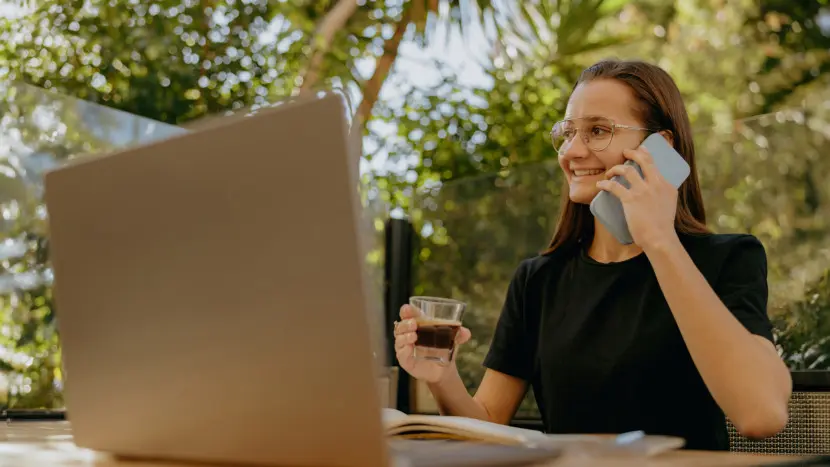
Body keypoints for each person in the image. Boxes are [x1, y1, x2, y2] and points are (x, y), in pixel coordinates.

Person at [393, 58, 792, 451]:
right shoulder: (538, 279)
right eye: (567, 133)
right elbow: (488, 424)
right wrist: (440, 376)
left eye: (597, 130)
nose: (572, 151)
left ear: (660, 147)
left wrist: (659, 240)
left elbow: (761, 415)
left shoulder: (728, 258)